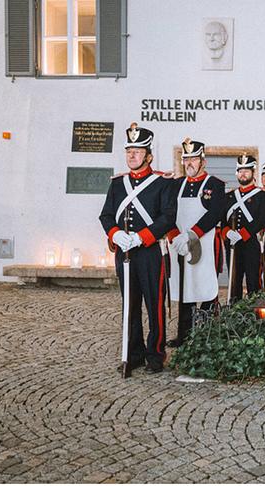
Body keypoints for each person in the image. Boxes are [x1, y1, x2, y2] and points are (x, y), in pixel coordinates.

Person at [99, 123, 177, 374]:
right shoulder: (118, 183)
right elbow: (106, 215)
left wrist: (141, 237)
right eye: (129, 151)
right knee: (130, 305)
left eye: (137, 151)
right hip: (125, 253)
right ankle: (133, 354)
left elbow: (168, 218)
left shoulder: (162, 183)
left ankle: (155, 355)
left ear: (149, 156)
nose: (132, 156)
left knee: (154, 305)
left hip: (151, 253)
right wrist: (116, 234)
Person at [165, 138, 226, 348]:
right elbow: (168, 212)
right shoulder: (176, 185)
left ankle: (206, 333)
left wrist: (192, 234)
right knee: (185, 288)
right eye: (186, 159)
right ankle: (184, 335)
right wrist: (174, 236)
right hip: (180, 246)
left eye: (193, 159)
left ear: (203, 161)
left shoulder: (215, 184)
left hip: (204, 243)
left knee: (206, 286)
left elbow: (215, 213)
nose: (189, 163)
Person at [222, 154, 265, 303]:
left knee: (253, 281)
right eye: (240, 171)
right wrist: (227, 232)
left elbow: (264, 218)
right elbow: (222, 219)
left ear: (253, 172)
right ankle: (234, 310)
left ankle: (254, 311)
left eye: (246, 171)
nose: (243, 174)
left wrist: (243, 233)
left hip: (250, 243)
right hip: (232, 244)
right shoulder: (229, 196)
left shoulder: (262, 196)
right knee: (234, 280)